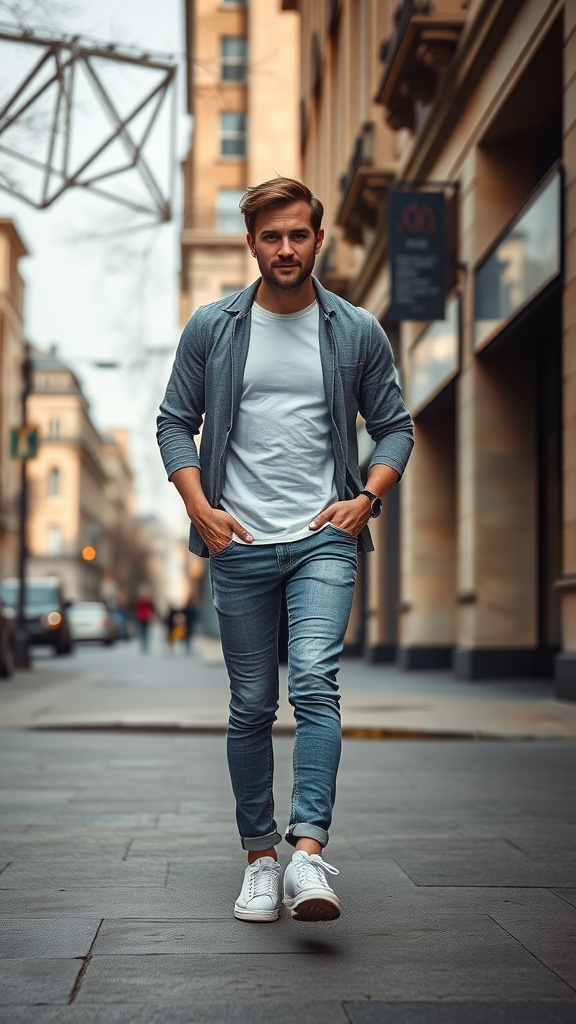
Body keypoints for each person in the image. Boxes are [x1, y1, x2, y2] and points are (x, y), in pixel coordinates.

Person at [157, 177, 413, 924]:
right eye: (271, 236)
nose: (286, 248)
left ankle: (306, 853)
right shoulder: (214, 326)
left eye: (298, 234)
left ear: (318, 239)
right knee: (249, 704)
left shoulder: (355, 329)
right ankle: (259, 859)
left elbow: (395, 425)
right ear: (251, 244)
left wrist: (366, 499)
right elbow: (176, 421)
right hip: (236, 541)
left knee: (315, 681)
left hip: (322, 540)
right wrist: (199, 507)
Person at [134, 587, 155, 653]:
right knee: (143, 632)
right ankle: (144, 645)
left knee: (144, 632)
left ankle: (144, 645)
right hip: (142, 618)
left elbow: (152, 609)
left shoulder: (144, 601)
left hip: (144, 618)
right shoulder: (145, 601)